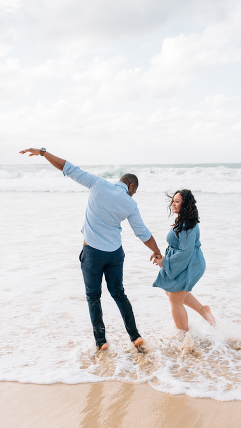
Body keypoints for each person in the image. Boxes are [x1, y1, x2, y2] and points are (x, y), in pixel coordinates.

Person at [19, 147, 163, 352]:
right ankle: (135, 336)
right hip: (114, 254)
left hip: (92, 253)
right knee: (119, 294)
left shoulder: (98, 184)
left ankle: (101, 342)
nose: (133, 194)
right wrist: (156, 251)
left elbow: (68, 168)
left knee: (93, 297)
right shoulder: (130, 204)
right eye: (134, 191)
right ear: (131, 186)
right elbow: (143, 233)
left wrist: (43, 153)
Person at [152, 189, 215, 331]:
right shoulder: (182, 221)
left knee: (175, 299)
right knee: (171, 291)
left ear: (185, 204)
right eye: (173, 201)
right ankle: (203, 310)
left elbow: (185, 252)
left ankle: (185, 338)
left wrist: (166, 262)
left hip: (190, 263)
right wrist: (163, 258)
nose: (173, 204)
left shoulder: (188, 225)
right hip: (184, 260)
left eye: (177, 201)